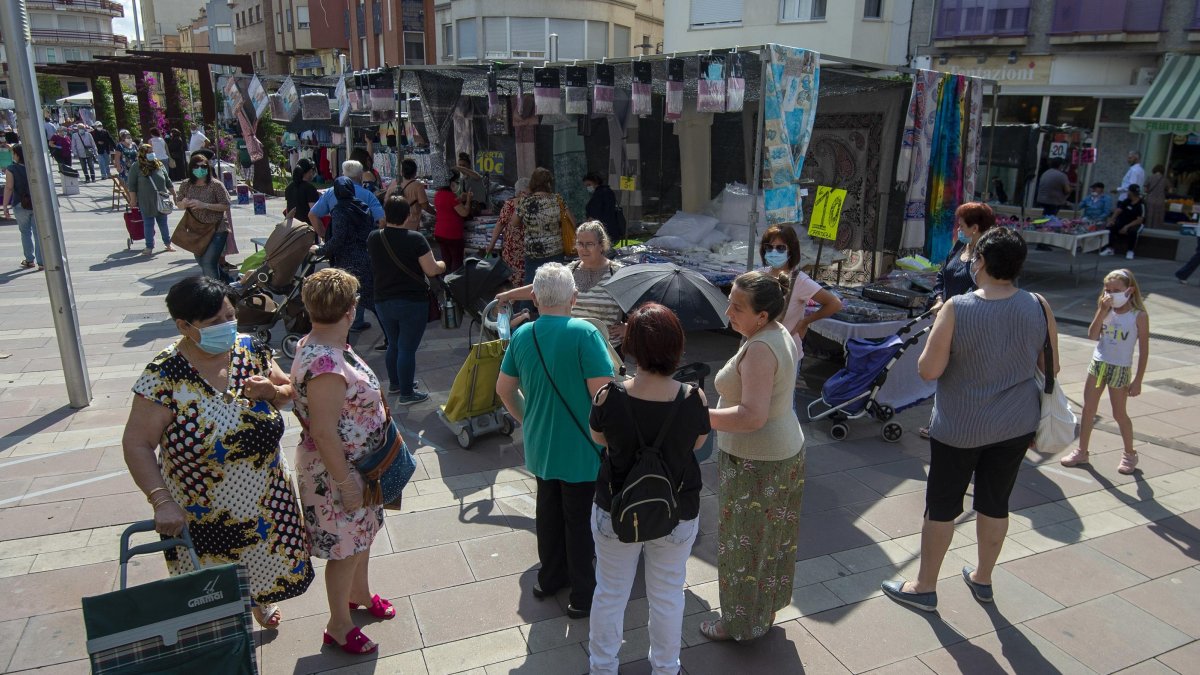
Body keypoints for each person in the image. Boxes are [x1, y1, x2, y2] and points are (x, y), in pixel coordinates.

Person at [121, 276, 314, 630]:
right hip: (202, 516)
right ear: (184, 326)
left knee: (263, 570)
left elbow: (289, 392)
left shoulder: (251, 350)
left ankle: (260, 599)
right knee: (214, 600)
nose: (227, 327)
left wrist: (272, 390)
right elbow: (136, 443)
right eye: (214, 323)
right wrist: (160, 500)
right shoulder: (164, 375)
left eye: (229, 316)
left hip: (267, 502)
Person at [881, 227, 1057, 613]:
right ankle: (983, 578)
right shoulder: (1038, 305)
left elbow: (929, 370)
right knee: (995, 502)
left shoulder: (958, 307)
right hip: (1016, 422)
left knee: (942, 505)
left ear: (981, 262)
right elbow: (1049, 367)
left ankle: (924, 586)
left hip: (960, 425)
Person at [587, 303, 710, 675]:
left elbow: (599, 438)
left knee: (610, 593)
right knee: (668, 595)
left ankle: (603, 668)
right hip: (676, 509)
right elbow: (698, 445)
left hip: (616, 506)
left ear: (632, 347)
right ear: (676, 347)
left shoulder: (609, 396)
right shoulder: (693, 398)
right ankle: (666, 669)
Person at [496, 263, 615, 619]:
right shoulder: (585, 333)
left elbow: (504, 389)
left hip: (540, 445)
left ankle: (548, 579)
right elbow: (603, 396)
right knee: (580, 523)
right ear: (574, 298)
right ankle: (582, 595)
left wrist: (528, 418)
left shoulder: (523, 335)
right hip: (583, 447)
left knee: (547, 514)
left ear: (534, 298)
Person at [290, 268, 398, 655]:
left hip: (362, 467)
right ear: (351, 310)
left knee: (361, 538)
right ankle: (338, 624)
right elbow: (322, 430)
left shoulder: (320, 343)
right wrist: (346, 482)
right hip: (339, 472)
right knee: (344, 548)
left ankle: (360, 595)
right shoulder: (326, 363)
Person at [701, 271, 805, 642]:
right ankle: (762, 611)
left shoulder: (761, 347)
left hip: (757, 462)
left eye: (738, 306)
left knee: (742, 547)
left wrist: (696, 417)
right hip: (778, 451)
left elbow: (751, 416)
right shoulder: (774, 333)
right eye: (730, 299)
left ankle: (738, 624)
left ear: (762, 315)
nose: (728, 310)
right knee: (770, 541)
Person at [1060, 269, 1150, 475]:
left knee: (1119, 413)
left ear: (1130, 290)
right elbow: (1092, 335)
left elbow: (1144, 350)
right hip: (1099, 364)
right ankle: (1082, 451)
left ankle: (1130, 453)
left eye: (1116, 290)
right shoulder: (1106, 309)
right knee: (1088, 409)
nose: (1111, 294)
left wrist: (1138, 380)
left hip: (1120, 367)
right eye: (1107, 290)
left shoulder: (1139, 316)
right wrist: (1102, 311)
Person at [496, 221, 627, 346]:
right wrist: (508, 295)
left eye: (589, 244)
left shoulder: (616, 272)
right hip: (573, 344)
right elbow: (542, 287)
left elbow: (639, 299)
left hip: (608, 348)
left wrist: (628, 327)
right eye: (580, 244)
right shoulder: (570, 270)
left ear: (601, 245)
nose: (584, 249)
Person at [368, 196, 446, 404]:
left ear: (386, 214)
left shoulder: (374, 238)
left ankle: (396, 384)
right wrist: (442, 265)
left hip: (382, 299)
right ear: (407, 216)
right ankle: (406, 393)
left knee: (394, 343)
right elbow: (431, 269)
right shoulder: (415, 239)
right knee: (407, 348)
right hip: (411, 301)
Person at [759, 225, 843, 361]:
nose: (773, 252)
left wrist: (805, 322)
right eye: (769, 247)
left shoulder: (799, 280)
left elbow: (834, 304)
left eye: (780, 248)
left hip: (785, 355)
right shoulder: (760, 275)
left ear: (791, 250)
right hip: (759, 350)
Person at [316, 177, 378, 332]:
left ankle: (344, 337)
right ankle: (390, 337)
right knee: (371, 300)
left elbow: (338, 238)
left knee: (345, 302)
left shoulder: (339, 211)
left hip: (346, 260)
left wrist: (320, 250)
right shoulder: (364, 208)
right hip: (365, 256)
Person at [177, 152, 233, 281]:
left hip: (217, 229)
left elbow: (226, 205)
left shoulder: (216, 185)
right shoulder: (186, 184)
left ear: (208, 168)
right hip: (196, 229)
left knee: (208, 263)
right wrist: (183, 203)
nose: (200, 169)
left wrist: (204, 205)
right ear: (191, 168)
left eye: (203, 167)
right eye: (196, 167)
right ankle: (230, 283)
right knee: (202, 261)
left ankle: (215, 295)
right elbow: (178, 203)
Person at [514, 167, 569, 284]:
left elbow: (514, 223)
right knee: (556, 285)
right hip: (556, 250)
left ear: (533, 183)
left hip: (533, 252)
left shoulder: (526, 202)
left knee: (532, 285)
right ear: (549, 183)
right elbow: (572, 221)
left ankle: (531, 302)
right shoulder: (557, 200)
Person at [125, 144, 178, 256]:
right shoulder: (136, 166)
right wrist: (133, 200)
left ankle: (168, 243)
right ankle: (149, 246)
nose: (152, 154)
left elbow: (168, 181)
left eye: (152, 151)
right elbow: (132, 185)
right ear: (143, 153)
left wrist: (174, 194)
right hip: (146, 201)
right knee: (148, 224)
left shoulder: (159, 164)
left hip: (161, 199)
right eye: (149, 152)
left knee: (163, 223)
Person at [309, 160, 385, 237]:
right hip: (362, 243)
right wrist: (372, 240)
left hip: (337, 241)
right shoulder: (368, 195)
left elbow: (312, 215)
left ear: (343, 174)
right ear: (360, 176)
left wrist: (325, 236)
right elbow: (382, 220)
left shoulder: (330, 192)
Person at [2, 144, 42, 271]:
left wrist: (5, 206)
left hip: (20, 203)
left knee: (25, 232)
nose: (12, 156)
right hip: (37, 203)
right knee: (38, 233)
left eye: (13, 153)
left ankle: (30, 260)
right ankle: (41, 262)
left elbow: (9, 187)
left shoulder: (11, 169)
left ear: (17, 155)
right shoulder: (34, 166)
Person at [485, 177, 530, 286]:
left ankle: (519, 299)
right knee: (517, 278)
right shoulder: (511, 205)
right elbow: (500, 224)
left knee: (522, 278)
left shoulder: (524, 204)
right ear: (521, 192)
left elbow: (500, 224)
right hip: (515, 249)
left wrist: (491, 245)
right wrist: (491, 244)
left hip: (523, 249)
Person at [433, 169, 470, 273]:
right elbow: (464, 213)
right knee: (456, 261)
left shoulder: (438, 195)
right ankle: (454, 283)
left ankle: (446, 282)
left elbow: (447, 207)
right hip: (452, 234)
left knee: (446, 260)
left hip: (440, 232)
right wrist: (468, 201)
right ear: (451, 182)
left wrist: (459, 199)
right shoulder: (450, 196)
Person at [1100, 184, 1145, 260]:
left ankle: (1130, 250)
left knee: (1133, 232)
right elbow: (1118, 210)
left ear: (1132, 192)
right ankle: (1109, 248)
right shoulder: (1127, 201)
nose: (1127, 193)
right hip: (1123, 221)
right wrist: (1112, 220)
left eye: (1128, 191)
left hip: (1135, 223)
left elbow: (1140, 220)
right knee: (1110, 227)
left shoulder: (1141, 204)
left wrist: (1127, 226)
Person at [382, 158, 429, 229]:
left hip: (392, 225)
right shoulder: (418, 186)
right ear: (415, 172)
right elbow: (425, 206)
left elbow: (386, 201)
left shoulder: (394, 183)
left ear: (402, 171)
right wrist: (436, 213)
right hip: (410, 225)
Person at [583, 172, 624, 244]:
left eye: (589, 185)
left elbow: (594, 214)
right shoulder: (608, 191)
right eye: (586, 186)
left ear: (596, 182)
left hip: (604, 231)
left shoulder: (598, 195)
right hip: (612, 229)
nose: (588, 187)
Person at [284, 158, 320, 226]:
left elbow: (288, 210)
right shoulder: (310, 188)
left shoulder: (289, 187)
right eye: (312, 171)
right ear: (309, 171)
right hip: (306, 228)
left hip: (293, 226)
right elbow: (314, 212)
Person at [1143, 164, 1169, 230]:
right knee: (1158, 217)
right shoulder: (1165, 179)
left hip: (1150, 199)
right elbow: (1170, 190)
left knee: (1149, 215)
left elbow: (1145, 189)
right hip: (1160, 200)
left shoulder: (1150, 177)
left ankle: (1147, 229)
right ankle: (1156, 230)